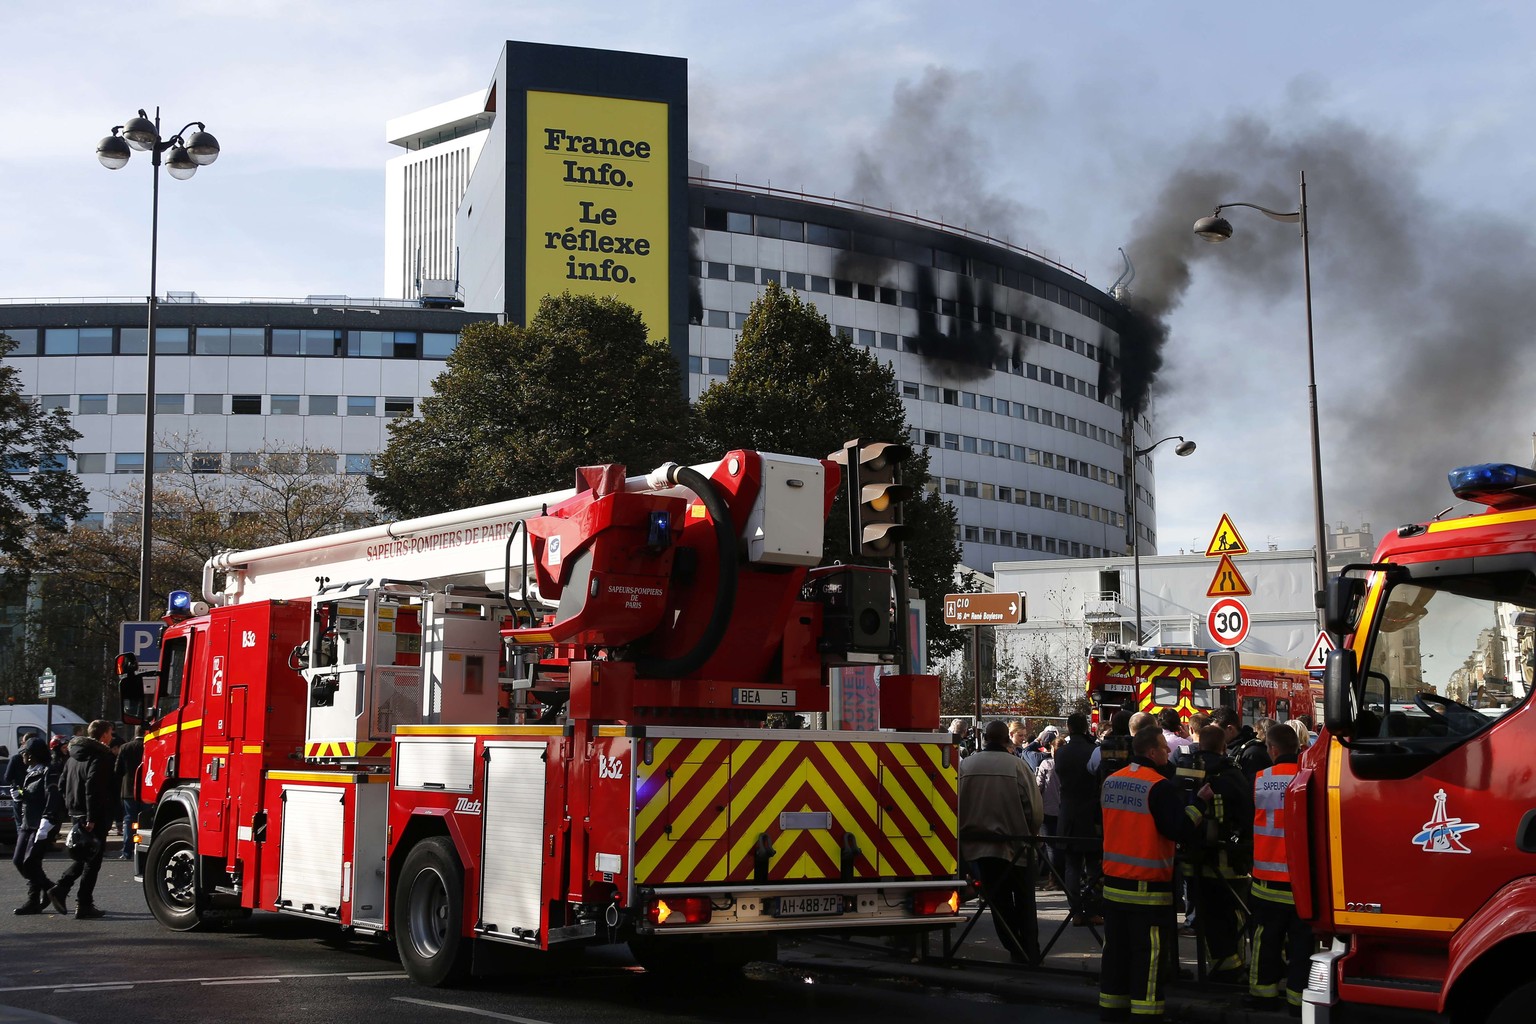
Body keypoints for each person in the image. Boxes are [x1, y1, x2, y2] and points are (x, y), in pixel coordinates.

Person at [1098, 727, 1204, 1022]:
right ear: (1152, 752)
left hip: (1114, 885)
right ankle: (1147, 1015)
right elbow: (1179, 829)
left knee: (1116, 953)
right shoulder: (1158, 786)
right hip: (1147, 889)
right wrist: (1200, 804)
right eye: (1164, 748)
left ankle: (1111, 1009)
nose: (1169, 752)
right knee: (1149, 956)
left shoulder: (1111, 781)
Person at [959, 719, 1045, 965]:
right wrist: (1031, 832)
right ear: (1006, 739)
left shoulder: (967, 766)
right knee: (1025, 900)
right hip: (1017, 846)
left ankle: (1014, 947)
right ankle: (1030, 950)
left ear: (985, 738)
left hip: (980, 847)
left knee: (999, 903)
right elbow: (1035, 810)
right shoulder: (1018, 767)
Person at [1247, 722, 1312, 1015]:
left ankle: (1263, 995)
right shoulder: (1309, 778)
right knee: (1303, 944)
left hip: (1266, 878)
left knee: (1265, 939)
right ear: (1297, 747)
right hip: (1302, 882)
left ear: (1272, 750)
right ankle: (1298, 1003)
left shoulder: (1260, 778)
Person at [1190, 725, 1254, 982]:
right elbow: (1246, 813)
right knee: (1234, 916)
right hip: (1229, 860)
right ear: (1223, 746)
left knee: (1208, 917)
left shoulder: (1188, 769)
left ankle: (1216, 967)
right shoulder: (1232, 774)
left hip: (1195, 860)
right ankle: (1232, 969)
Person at [47, 719, 116, 919]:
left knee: (85, 856)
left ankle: (63, 890)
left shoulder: (73, 756)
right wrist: (92, 817)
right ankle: (83, 902)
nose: (111, 737)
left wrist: (71, 806)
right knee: (92, 860)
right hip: (93, 815)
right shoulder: (100, 756)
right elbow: (93, 787)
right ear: (103, 735)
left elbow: (62, 784)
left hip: (76, 812)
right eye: (110, 733)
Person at [1055, 712, 1104, 927]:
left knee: (1072, 866)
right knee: (1093, 865)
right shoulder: (1093, 751)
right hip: (1091, 814)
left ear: (1069, 727)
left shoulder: (1061, 752)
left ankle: (1075, 910)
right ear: (1085, 728)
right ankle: (1092, 909)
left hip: (1068, 813)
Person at [11, 736, 64, 914]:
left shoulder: (49, 771)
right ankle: (52, 888)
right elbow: (31, 794)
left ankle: (34, 900)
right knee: (19, 860)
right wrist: (19, 794)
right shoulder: (31, 771)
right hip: (28, 822)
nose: (23, 756)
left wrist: (48, 818)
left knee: (30, 862)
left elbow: (52, 795)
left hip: (41, 822)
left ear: (33, 755)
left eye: (25, 753)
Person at [1034, 730, 1063, 889]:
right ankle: (1062, 878)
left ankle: (1053, 879)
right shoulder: (1068, 764)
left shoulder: (1047, 764)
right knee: (1063, 845)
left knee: (1051, 847)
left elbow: (1039, 786)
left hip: (1048, 808)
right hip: (1064, 810)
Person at [1214, 707, 1270, 782]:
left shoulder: (1252, 753)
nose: (1212, 735)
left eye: (1215, 731)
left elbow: (1252, 787)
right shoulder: (1229, 748)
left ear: (1230, 729)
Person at [116, 725, 145, 861]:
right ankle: (143, 848)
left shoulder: (125, 747)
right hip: (145, 790)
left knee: (129, 820)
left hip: (128, 789)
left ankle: (127, 850)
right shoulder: (150, 746)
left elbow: (118, 770)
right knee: (145, 820)